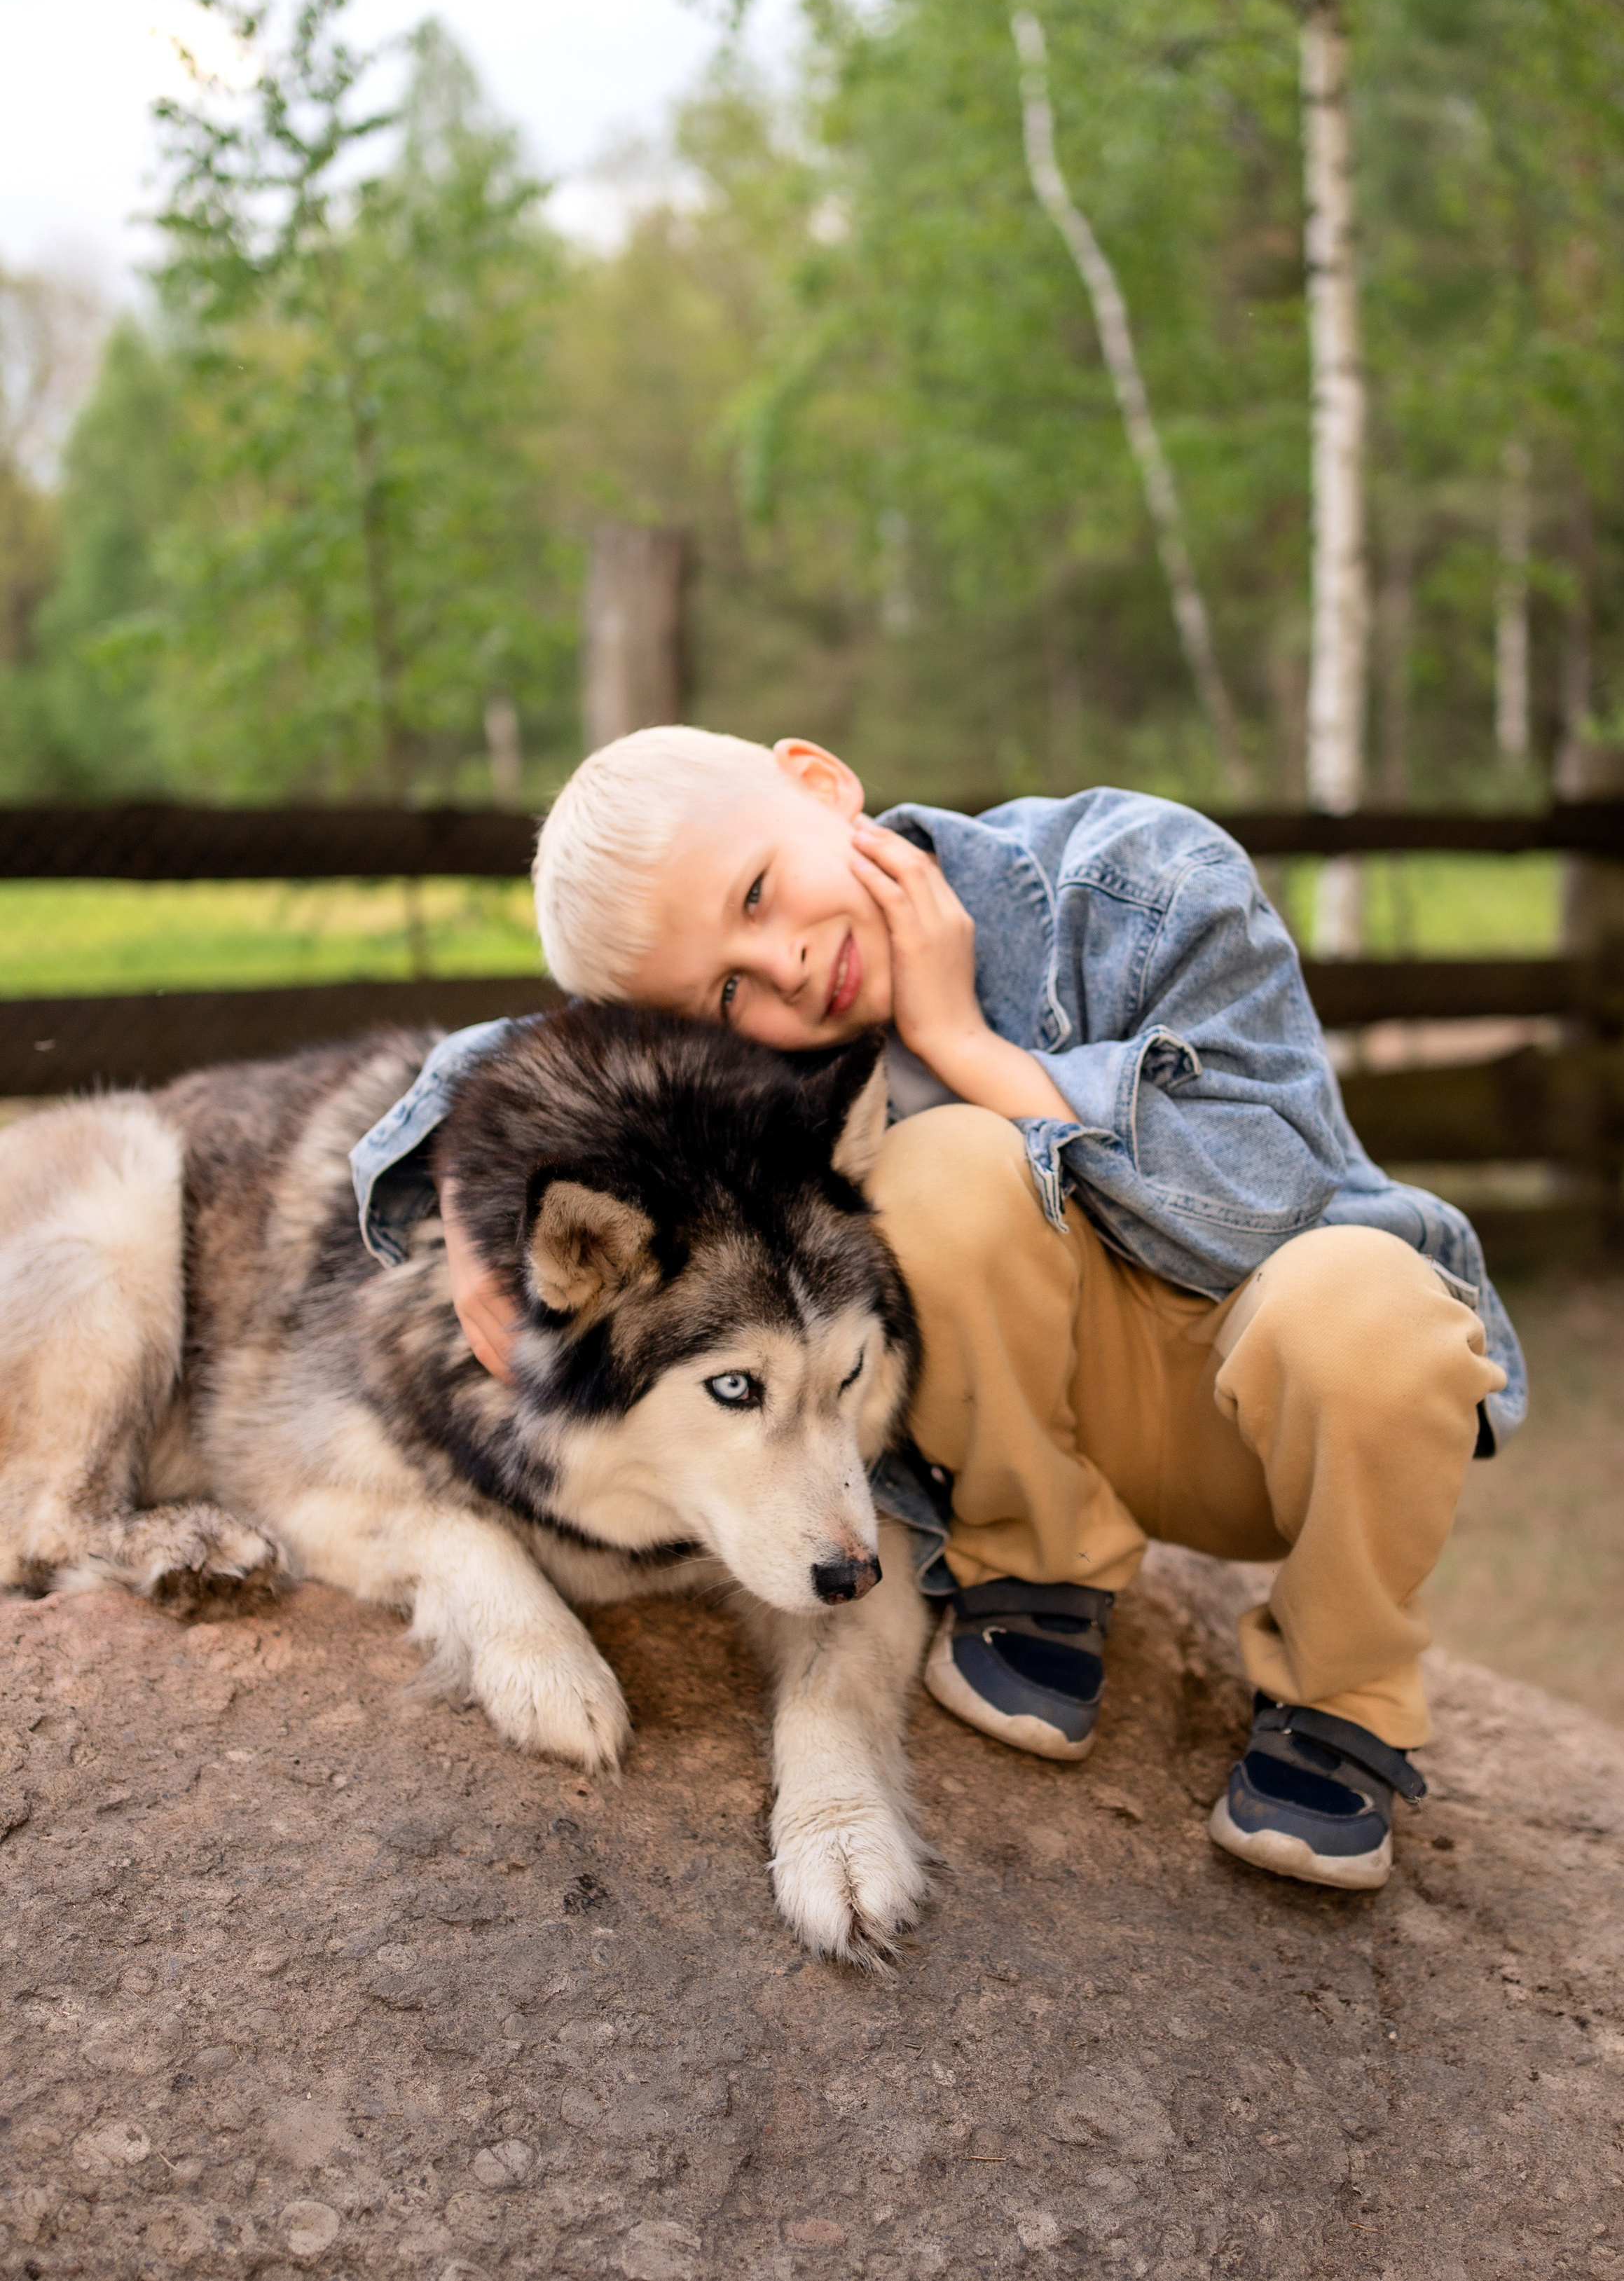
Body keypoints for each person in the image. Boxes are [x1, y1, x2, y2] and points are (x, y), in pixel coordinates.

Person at [351, 727, 1524, 1894]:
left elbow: (1268, 1198)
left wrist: (962, 1040)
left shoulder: (1141, 872)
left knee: (1369, 1296)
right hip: (1075, 1421)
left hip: (1282, 1400)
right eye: (726, 990)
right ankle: (1038, 1569)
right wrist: (462, 1174)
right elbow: (528, 1048)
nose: (784, 964)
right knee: (931, 1181)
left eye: (758, 890)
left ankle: (1344, 1700)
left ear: (821, 782)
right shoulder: (784, 1051)